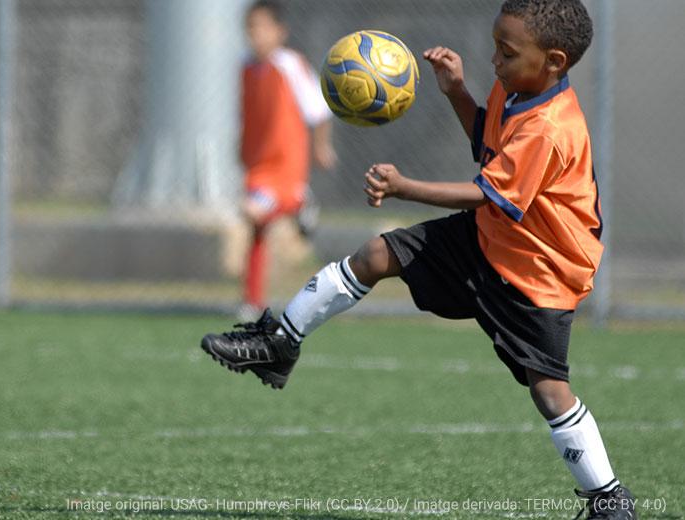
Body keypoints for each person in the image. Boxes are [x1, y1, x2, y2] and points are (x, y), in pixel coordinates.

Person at [200, 1, 636, 517]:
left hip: (537, 273)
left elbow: (488, 193)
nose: (494, 59)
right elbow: (487, 145)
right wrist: (456, 91)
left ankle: (608, 497)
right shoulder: (516, 88)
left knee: (548, 390)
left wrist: (404, 186)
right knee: (376, 254)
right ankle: (280, 341)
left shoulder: (552, 126)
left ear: (555, 61)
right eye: (496, 45)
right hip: (490, 238)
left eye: (507, 51)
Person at [238, 0, 337, 320]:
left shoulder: (290, 65)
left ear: (280, 32)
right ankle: (252, 301)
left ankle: (299, 202)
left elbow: (318, 111)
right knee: (257, 228)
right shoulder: (245, 68)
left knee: (253, 213)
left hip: (285, 166)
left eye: (263, 27)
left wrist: (321, 147)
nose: (256, 34)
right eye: (251, 27)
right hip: (258, 167)